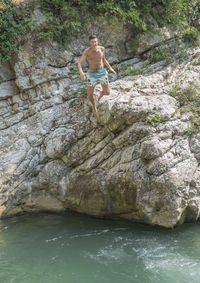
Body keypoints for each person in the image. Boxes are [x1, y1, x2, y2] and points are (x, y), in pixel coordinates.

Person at [78, 35, 116, 113]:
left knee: (107, 92)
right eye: (92, 42)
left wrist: (110, 67)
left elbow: (104, 59)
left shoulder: (102, 49)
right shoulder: (87, 51)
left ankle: (101, 94)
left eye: (95, 41)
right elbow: (79, 63)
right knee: (89, 95)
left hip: (102, 72)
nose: (94, 43)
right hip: (91, 74)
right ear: (90, 42)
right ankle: (94, 105)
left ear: (97, 41)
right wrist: (81, 72)